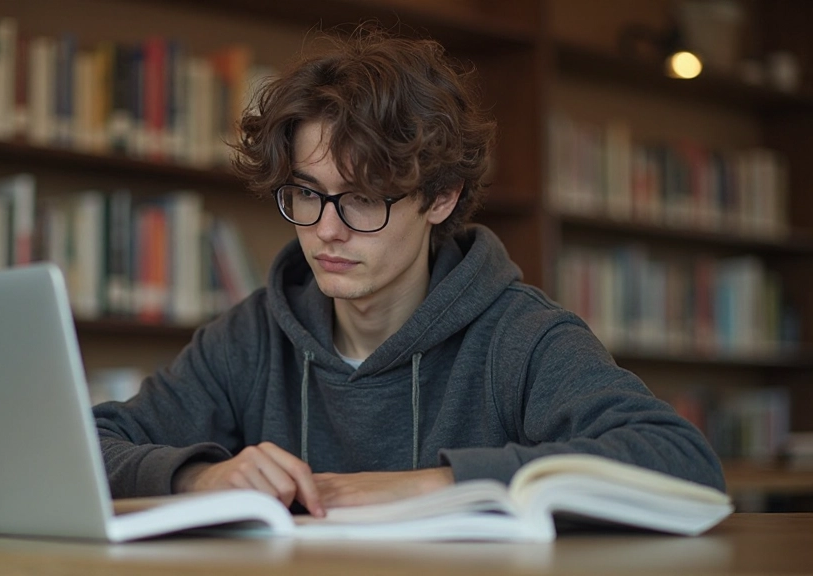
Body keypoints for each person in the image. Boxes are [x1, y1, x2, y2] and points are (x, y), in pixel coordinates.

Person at [93, 27, 725, 519]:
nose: (327, 229)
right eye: (306, 193)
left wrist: (439, 483)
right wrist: (198, 476)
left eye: (364, 197)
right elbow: (88, 444)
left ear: (441, 196)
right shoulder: (253, 336)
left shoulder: (520, 336)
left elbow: (680, 460)